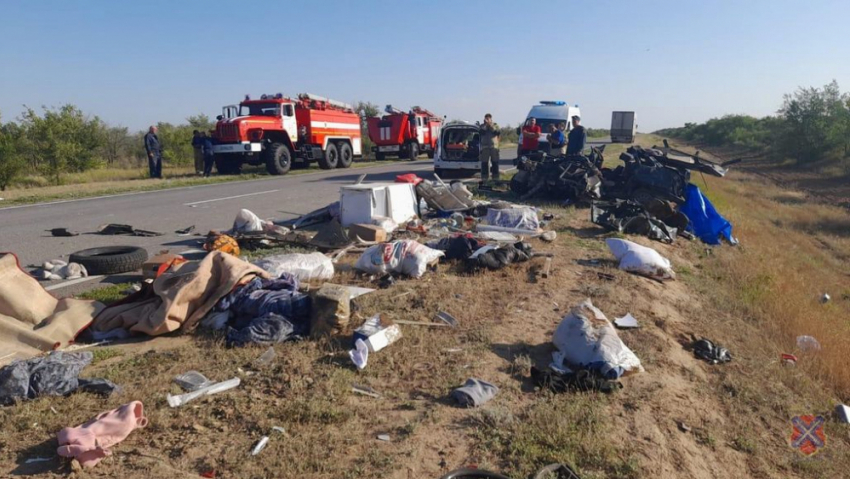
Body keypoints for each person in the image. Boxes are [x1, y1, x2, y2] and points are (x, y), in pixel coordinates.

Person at [478, 113, 501, 181]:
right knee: (484, 163)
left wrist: (490, 126)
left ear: (491, 119)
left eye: (488, 118)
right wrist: (485, 125)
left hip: (494, 147)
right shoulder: (482, 126)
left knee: (495, 163)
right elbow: (481, 132)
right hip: (485, 147)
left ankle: (495, 178)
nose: (487, 119)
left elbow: (497, 132)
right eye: (486, 118)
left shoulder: (495, 125)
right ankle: (484, 178)